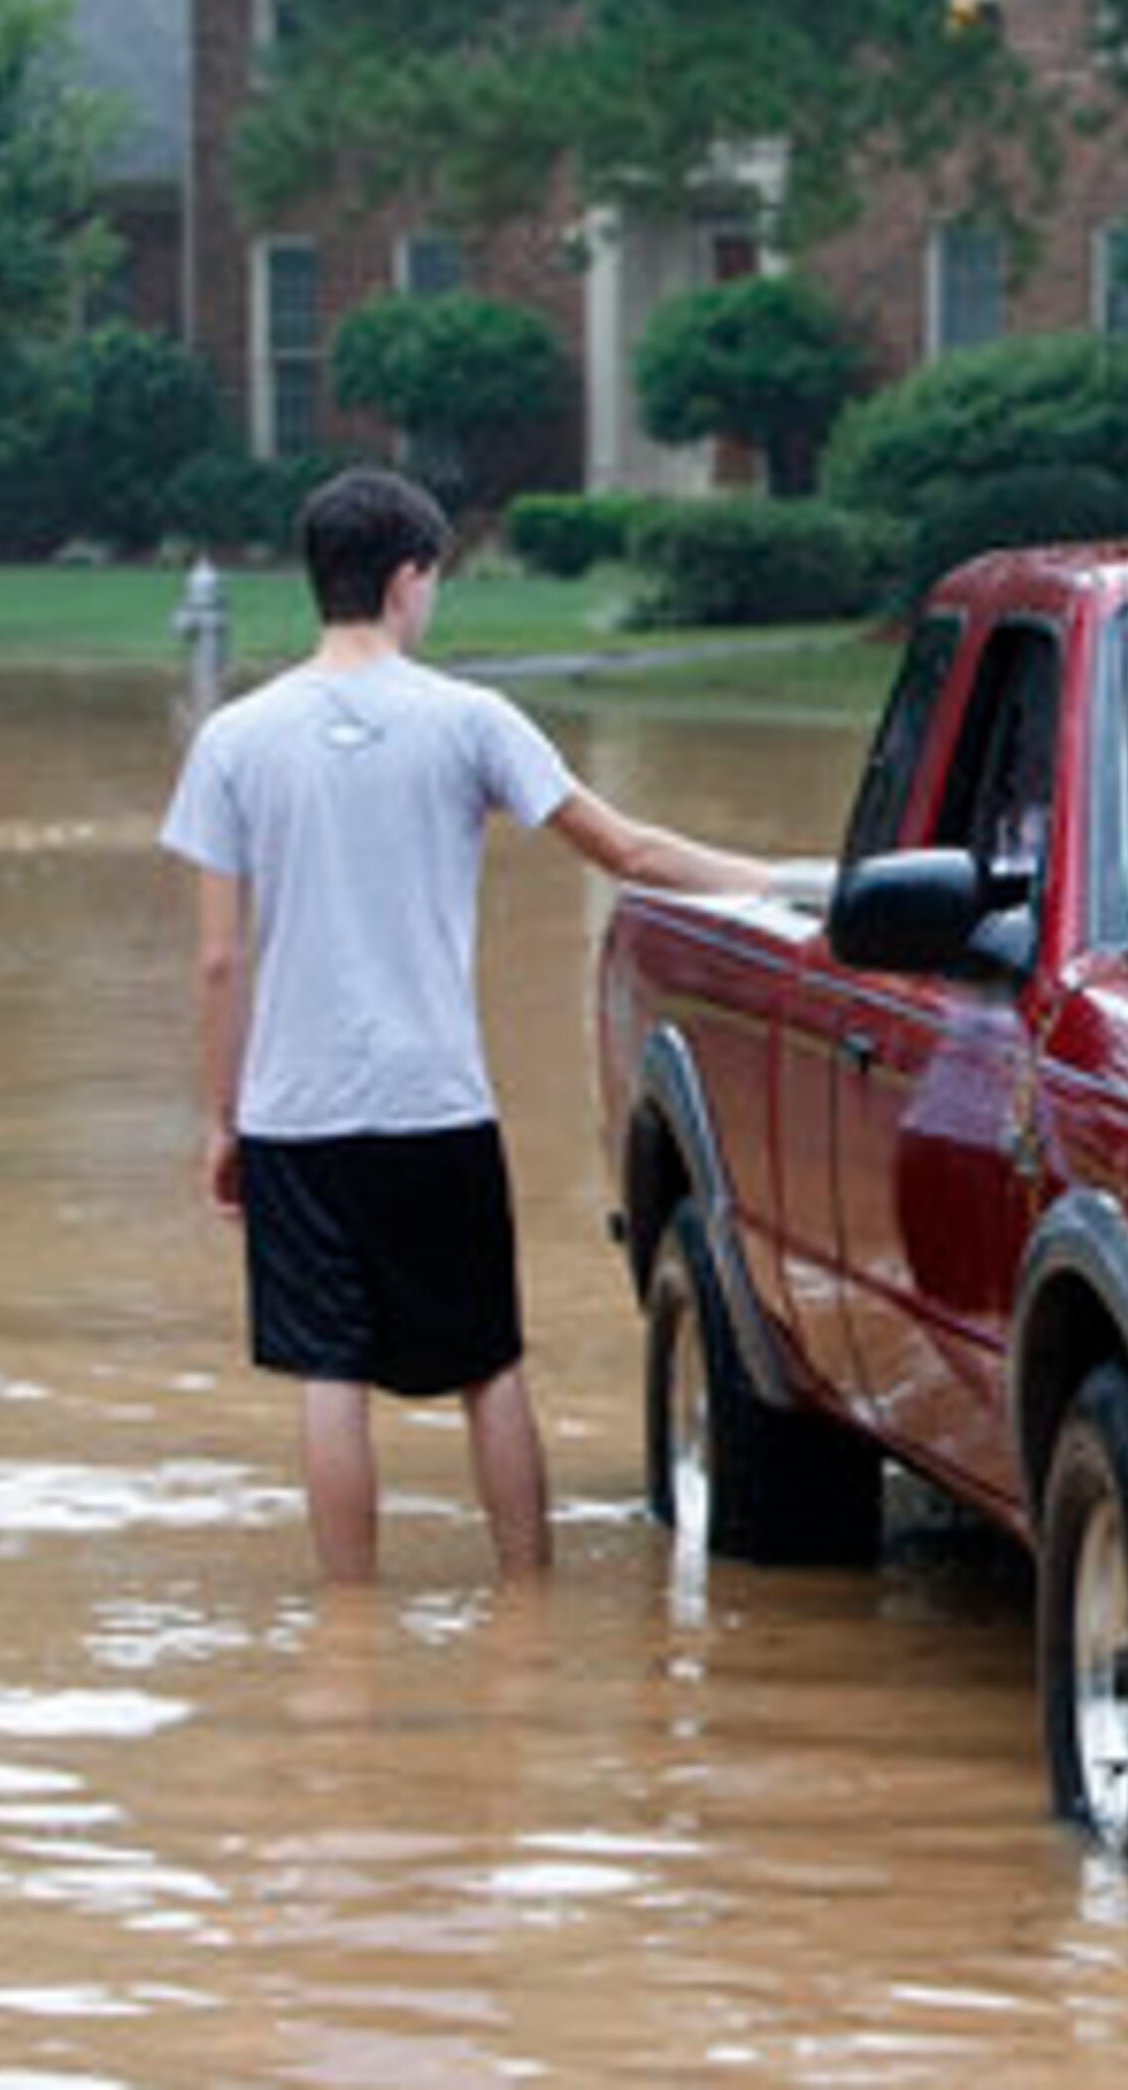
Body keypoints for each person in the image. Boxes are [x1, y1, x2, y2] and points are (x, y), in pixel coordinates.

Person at [162, 465, 783, 1583]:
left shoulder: (235, 740)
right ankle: (525, 1604)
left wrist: (224, 1122)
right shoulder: (470, 720)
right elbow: (630, 853)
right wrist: (788, 883)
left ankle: (347, 1625)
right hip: (434, 1097)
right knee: (487, 1362)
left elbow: (218, 959)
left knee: (329, 1372)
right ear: (409, 578)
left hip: (296, 1109)